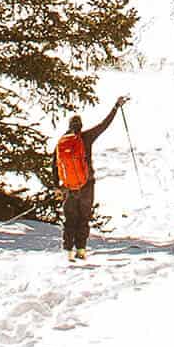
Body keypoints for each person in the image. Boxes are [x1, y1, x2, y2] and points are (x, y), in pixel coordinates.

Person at [54, 95, 129, 262]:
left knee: (70, 219)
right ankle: (81, 250)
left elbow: (55, 166)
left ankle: (68, 252)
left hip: (68, 187)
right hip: (87, 185)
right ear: (80, 127)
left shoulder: (61, 143)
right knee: (83, 218)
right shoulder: (86, 137)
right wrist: (116, 106)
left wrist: (57, 186)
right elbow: (104, 125)